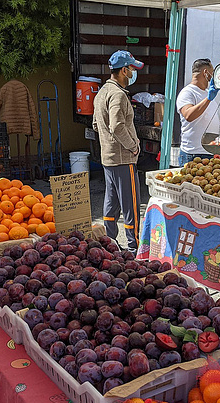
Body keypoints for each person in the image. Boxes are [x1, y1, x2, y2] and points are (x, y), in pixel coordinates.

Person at [92, 50, 144, 254]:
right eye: (131, 69)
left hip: (108, 157)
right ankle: (134, 247)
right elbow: (117, 126)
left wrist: (108, 142)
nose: (133, 73)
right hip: (123, 158)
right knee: (130, 205)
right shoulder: (118, 95)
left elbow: (96, 124)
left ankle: (109, 242)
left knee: (111, 201)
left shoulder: (102, 92)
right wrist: (133, 146)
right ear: (124, 70)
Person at [176, 58, 220, 165]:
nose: (213, 77)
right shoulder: (188, 92)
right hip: (193, 154)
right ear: (206, 72)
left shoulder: (206, 92)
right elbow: (188, 115)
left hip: (211, 152)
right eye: (213, 72)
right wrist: (208, 99)